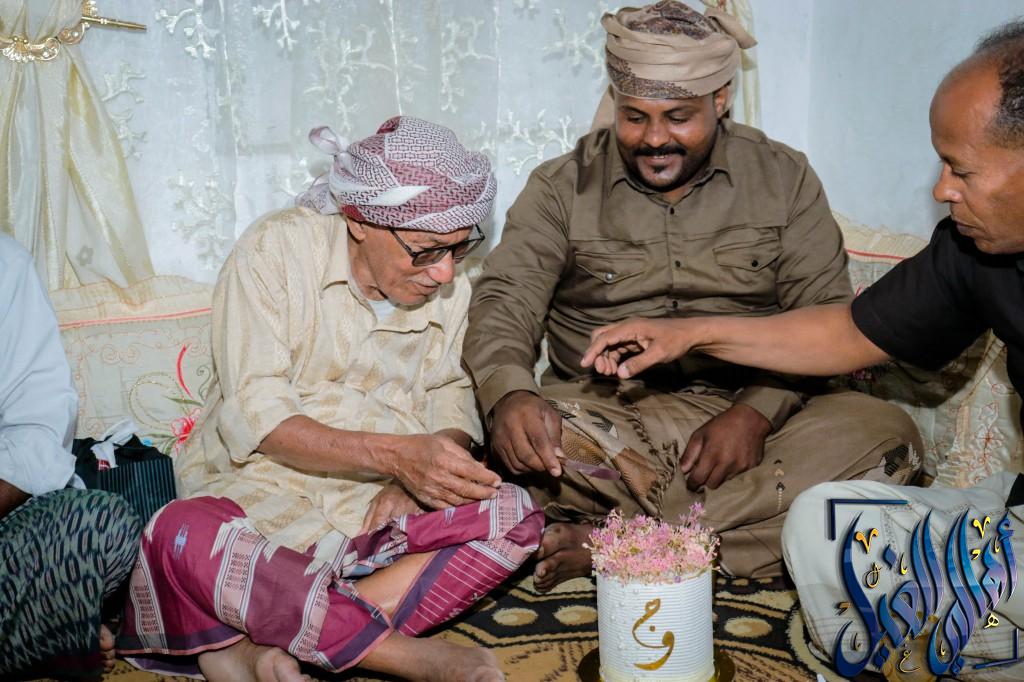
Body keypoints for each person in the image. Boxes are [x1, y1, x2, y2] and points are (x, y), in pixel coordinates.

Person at [582, 19, 1024, 678]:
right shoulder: (976, 252)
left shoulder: (782, 176)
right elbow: (846, 333)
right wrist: (691, 332)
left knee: (929, 532)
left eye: (960, 169)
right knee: (824, 522)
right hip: (1012, 515)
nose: (941, 190)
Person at [463, 0, 921, 591]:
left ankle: (619, 540)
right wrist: (510, 395)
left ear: (721, 99)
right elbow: (506, 299)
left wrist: (755, 414)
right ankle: (712, 535)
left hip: (755, 420)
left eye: (678, 117)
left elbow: (825, 320)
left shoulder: (783, 178)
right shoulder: (562, 186)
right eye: (634, 117)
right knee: (532, 444)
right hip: (609, 418)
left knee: (887, 438)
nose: (654, 138)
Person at [117, 117, 543, 682]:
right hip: (261, 503)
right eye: (427, 251)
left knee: (514, 512)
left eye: (461, 247)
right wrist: (397, 456)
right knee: (180, 532)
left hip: (377, 518)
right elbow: (261, 415)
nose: (444, 272)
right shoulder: (276, 251)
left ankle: (264, 636)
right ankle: (397, 654)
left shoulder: (453, 288)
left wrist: (420, 474)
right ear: (359, 220)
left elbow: (451, 396)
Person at [0, 233, 141, 679]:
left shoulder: (5, 264)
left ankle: (48, 625)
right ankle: (52, 629)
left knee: (100, 524)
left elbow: (36, 429)